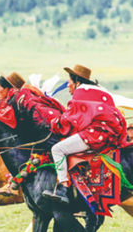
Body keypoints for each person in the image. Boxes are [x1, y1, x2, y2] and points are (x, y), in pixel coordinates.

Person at [47, 64, 128, 204]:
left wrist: (55, 122)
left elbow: (71, 118)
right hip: (109, 134)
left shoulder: (80, 92)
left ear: (77, 82)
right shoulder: (99, 92)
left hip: (94, 134)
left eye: (69, 82)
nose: (67, 86)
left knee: (57, 149)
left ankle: (63, 187)